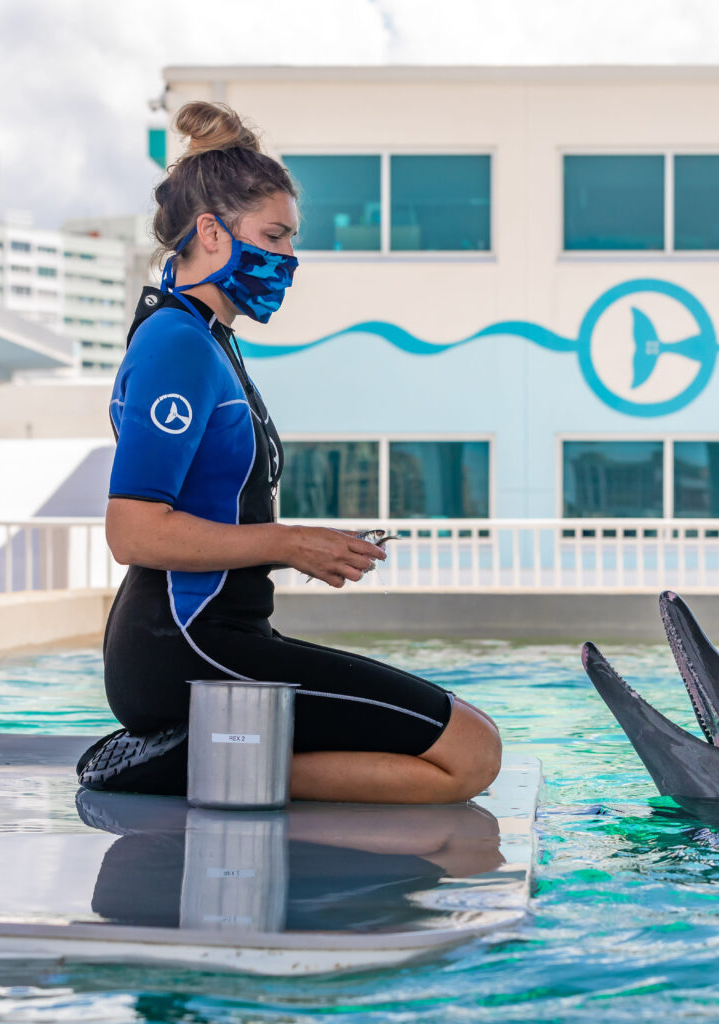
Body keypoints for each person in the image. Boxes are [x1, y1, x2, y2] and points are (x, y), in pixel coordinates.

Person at [80, 101, 501, 804]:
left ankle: (209, 758)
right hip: (185, 646)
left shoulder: (210, 339)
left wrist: (299, 543)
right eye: (273, 237)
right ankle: (185, 765)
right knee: (470, 752)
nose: (287, 260)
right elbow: (133, 531)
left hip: (217, 636)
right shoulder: (177, 343)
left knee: (468, 746)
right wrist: (290, 541)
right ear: (211, 233)